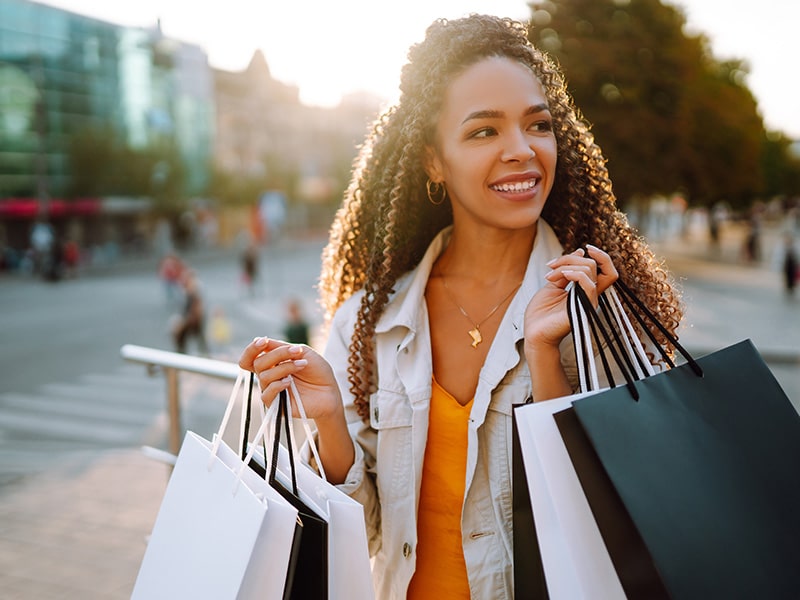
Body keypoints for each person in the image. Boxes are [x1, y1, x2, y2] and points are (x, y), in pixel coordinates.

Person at [239, 14, 683, 599]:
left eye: (538, 125)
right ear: (433, 160)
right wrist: (326, 419)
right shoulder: (368, 323)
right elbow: (368, 533)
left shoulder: (604, 311)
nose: (521, 151)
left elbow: (621, 528)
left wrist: (550, 364)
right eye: (483, 132)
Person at [173, 269, 208, 355]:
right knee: (199, 340)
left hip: (193, 320)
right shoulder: (188, 293)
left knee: (198, 339)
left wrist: (183, 322)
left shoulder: (193, 294)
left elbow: (196, 310)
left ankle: (202, 354)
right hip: (192, 320)